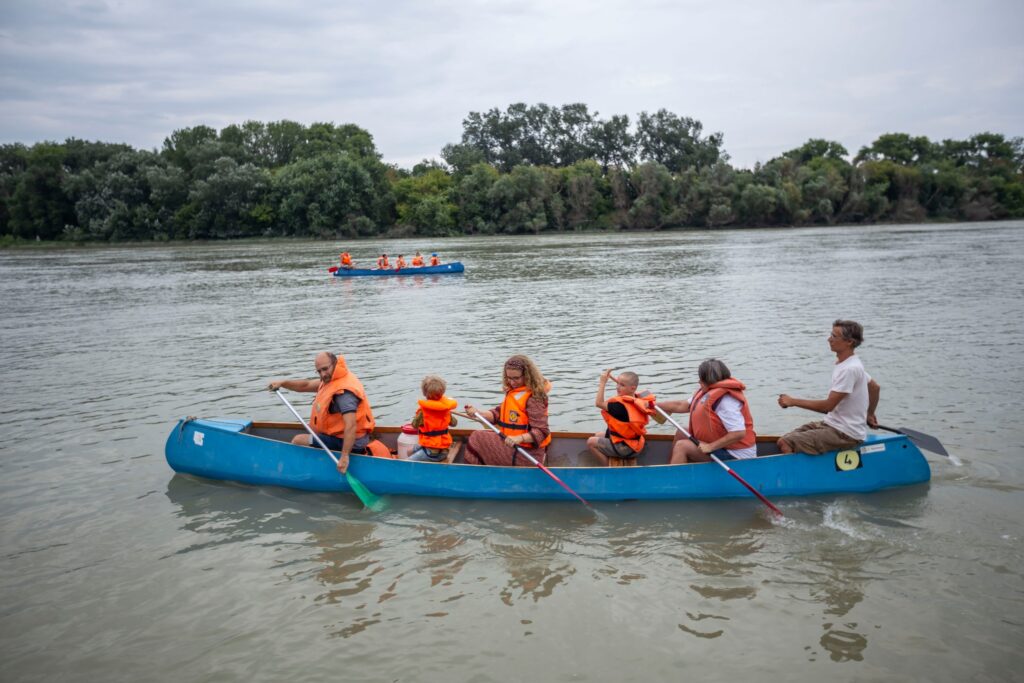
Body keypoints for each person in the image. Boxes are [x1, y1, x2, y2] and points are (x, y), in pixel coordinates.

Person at [777, 320, 880, 454]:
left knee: (786, 442)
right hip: (832, 424)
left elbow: (827, 407)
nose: (829, 339)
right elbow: (874, 388)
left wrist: (793, 402)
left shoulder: (849, 369)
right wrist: (870, 414)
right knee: (784, 439)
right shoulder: (849, 364)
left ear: (849, 342)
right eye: (831, 335)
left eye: (834, 336)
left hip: (845, 433)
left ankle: (796, 474)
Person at [267, 352, 378, 473]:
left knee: (298, 440)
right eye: (319, 371)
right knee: (309, 435)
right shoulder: (333, 379)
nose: (323, 374)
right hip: (339, 436)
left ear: (335, 363)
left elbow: (351, 426)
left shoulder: (344, 393)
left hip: (352, 443)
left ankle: (304, 471)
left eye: (325, 369)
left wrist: (345, 456)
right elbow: (306, 385)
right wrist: (283, 383)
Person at [657, 358, 757, 464]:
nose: (699, 381)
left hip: (737, 455)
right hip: (722, 446)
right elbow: (681, 405)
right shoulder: (708, 392)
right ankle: (670, 467)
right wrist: (652, 405)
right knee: (682, 432)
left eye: (701, 379)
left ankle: (673, 479)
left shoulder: (726, 401)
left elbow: (738, 433)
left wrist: (710, 446)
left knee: (682, 446)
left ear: (708, 380)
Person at [463, 355, 551, 466]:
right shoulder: (516, 392)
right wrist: (478, 413)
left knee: (476, 438)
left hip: (526, 453)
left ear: (528, 376)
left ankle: (473, 473)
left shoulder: (534, 398)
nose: (512, 382)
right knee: (480, 435)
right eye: (509, 378)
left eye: (516, 378)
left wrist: (519, 438)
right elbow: (498, 414)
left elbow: (542, 432)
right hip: (514, 445)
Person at [586, 369, 657, 465]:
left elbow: (599, 403)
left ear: (632, 388)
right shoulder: (638, 399)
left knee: (591, 442)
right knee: (598, 435)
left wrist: (602, 382)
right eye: (617, 384)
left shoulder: (620, 407)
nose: (617, 388)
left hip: (626, 448)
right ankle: (611, 457)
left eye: (622, 385)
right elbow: (629, 391)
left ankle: (610, 469)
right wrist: (623, 385)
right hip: (635, 444)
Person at [407, 374, 459, 462]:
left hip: (431, 452)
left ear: (424, 393)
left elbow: (414, 425)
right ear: (442, 392)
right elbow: (454, 423)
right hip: (443, 450)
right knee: (409, 450)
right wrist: (447, 413)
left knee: (406, 463)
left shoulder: (423, 412)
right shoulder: (445, 409)